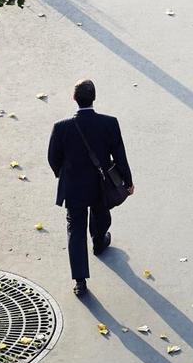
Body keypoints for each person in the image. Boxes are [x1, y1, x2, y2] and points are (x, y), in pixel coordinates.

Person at [47, 80, 134, 299]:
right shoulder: (110, 123)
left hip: (74, 187)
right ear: (94, 98)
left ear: (74, 99)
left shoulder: (61, 127)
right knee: (101, 212)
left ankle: (80, 281)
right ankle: (99, 241)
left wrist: (64, 174)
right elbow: (120, 156)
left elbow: (53, 158)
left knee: (75, 230)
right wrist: (128, 181)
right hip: (100, 184)